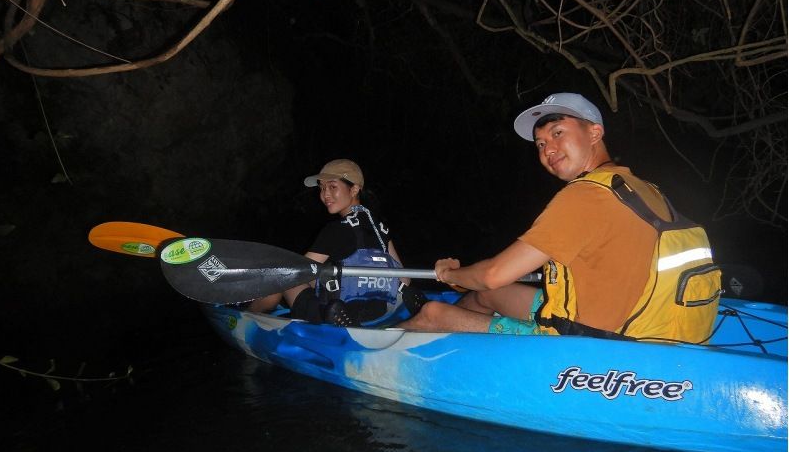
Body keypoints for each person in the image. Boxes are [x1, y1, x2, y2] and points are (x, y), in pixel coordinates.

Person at [402, 93, 721, 342]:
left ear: (594, 132)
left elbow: (493, 274)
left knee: (432, 312)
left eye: (558, 133)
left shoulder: (584, 196)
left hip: (593, 346)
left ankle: (417, 334)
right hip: (647, 326)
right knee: (486, 296)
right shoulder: (643, 188)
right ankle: (459, 341)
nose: (547, 150)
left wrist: (449, 275)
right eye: (541, 143)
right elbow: (490, 286)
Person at [247, 159, 424, 326]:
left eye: (332, 187)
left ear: (354, 189)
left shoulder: (336, 230)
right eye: (322, 188)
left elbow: (298, 274)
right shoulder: (380, 228)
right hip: (379, 314)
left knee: (285, 273)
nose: (325, 195)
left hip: (343, 314)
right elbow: (404, 280)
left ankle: (247, 316)